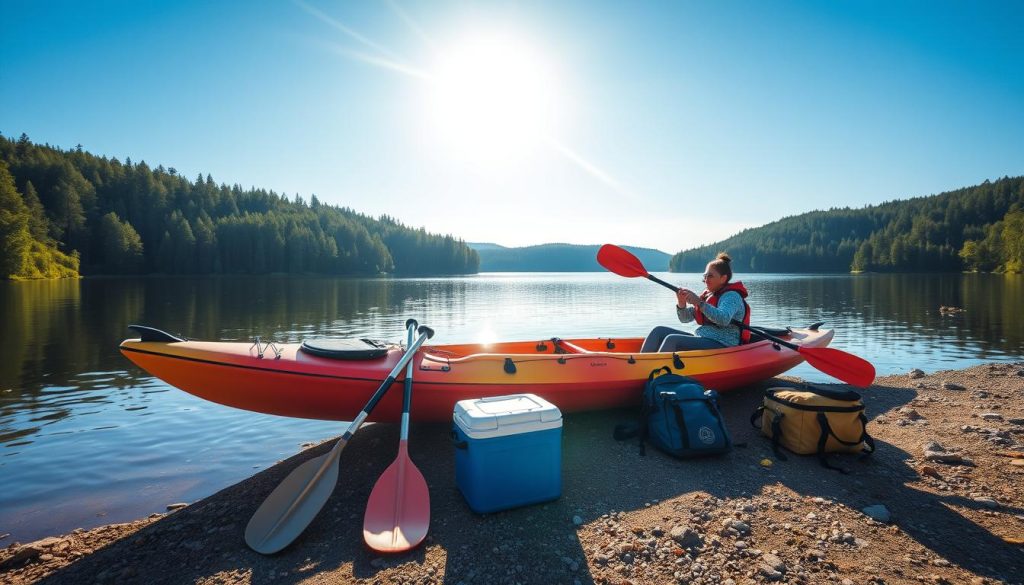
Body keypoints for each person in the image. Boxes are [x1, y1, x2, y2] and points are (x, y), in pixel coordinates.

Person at [641, 252, 751, 352]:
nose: (706, 280)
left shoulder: (732, 296)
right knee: (658, 331)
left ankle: (653, 370)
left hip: (723, 344)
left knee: (672, 340)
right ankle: (640, 365)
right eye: (705, 276)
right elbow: (685, 319)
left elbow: (723, 319)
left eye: (710, 276)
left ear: (723, 278)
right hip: (702, 338)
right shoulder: (708, 295)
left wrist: (699, 302)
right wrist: (681, 303)